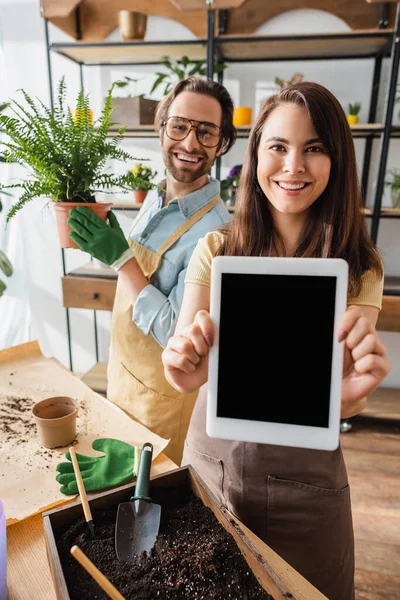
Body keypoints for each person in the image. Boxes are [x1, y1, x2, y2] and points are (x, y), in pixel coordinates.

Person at [161, 82, 390, 599]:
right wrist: (183, 365)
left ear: (337, 161)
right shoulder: (216, 247)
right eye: (279, 147)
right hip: (212, 467)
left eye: (314, 148)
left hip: (308, 485)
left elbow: (348, 385)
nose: (293, 167)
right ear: (256, 153)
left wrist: (351, 395)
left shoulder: (359, 267)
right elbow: (184, 353)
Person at [67, 77, 236, 464]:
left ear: (221, 144)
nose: (190, 143)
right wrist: (109, 246)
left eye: (206, 132)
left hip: (161, 404)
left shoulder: (216, 234)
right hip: (123, 379)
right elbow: (140, 284)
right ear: (162, 130)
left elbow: (179, 335)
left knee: (154, 499)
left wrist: (122, 259)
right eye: (179, 126)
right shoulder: (155, 196)